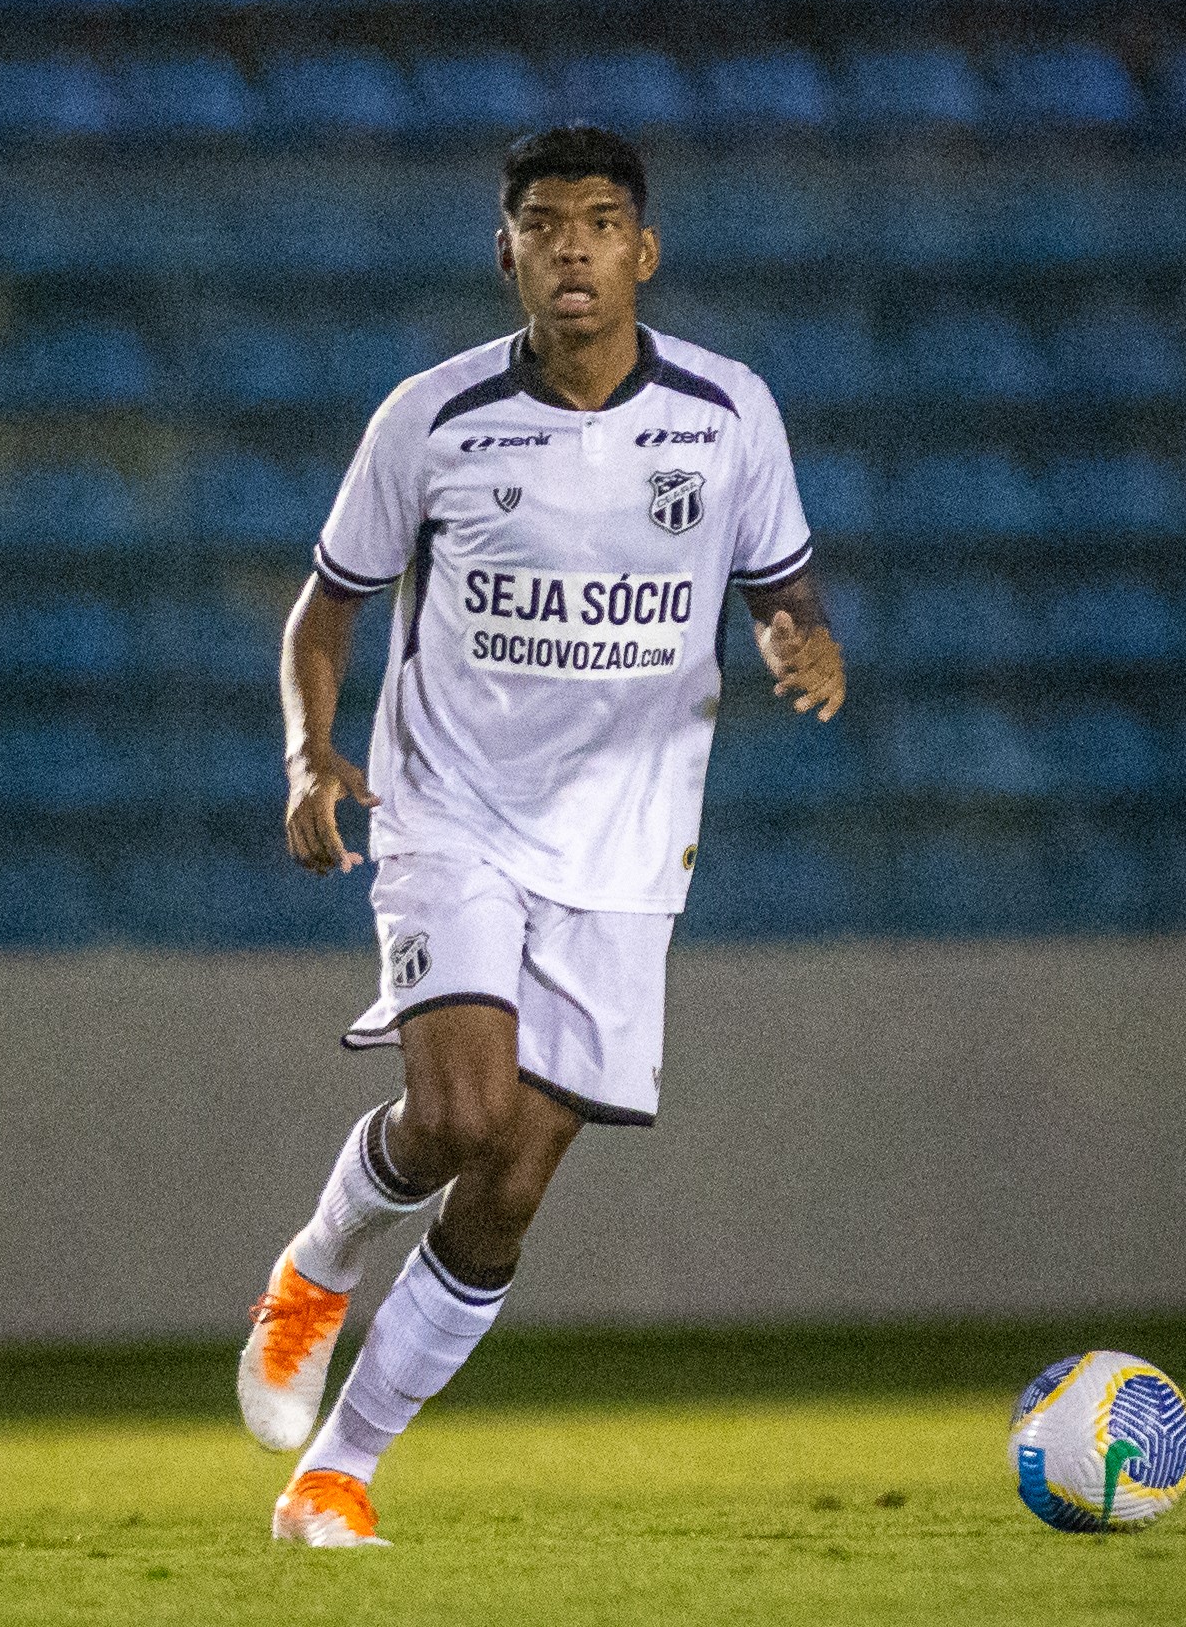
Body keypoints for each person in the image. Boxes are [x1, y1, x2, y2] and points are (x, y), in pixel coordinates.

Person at [239, 124, 847, 1548]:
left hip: (628, 851)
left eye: (599, 219)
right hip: (449, 813)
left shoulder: (725, 413)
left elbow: (782, 587)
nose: (571, 242)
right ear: (501, 249)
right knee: (456, 1111)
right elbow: (323, 611)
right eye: (541, 220)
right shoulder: (429, 419)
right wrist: (306, 750)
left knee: (509, 1179)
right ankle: (317, 1266)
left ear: (643, 250)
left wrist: (800, 643)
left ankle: (337, 1468)